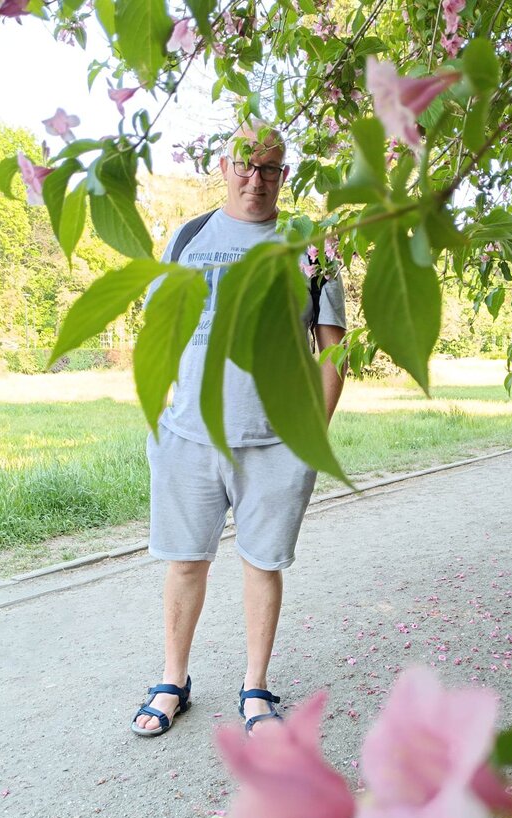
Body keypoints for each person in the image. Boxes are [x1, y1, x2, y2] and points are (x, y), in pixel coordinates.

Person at [131, 125, 347, 737]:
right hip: (188, 438)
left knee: (262, 565)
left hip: (276, 444)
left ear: (285, 174)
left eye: (271, 169)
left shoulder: (310, 244)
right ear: (224, 166)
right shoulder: (188, 237)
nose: (258, 179)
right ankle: (173, 680)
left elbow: (333, 352)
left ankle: (256, 689)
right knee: (185, 562)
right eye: (246, 166)